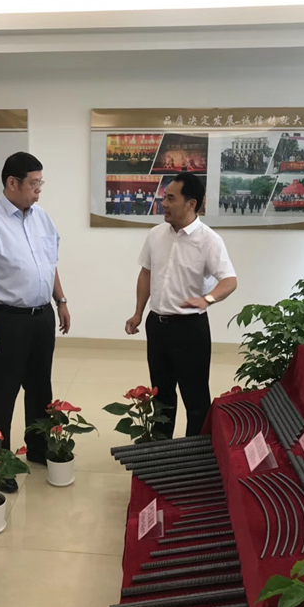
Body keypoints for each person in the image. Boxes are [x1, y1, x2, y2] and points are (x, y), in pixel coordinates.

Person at [0, 151, 71, 492]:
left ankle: (38, 447)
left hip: (41, 316)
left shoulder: (42, 217)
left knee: (40, 388)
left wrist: (61, 300)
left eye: (41, 183)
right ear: (12, 183)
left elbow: (49, 263)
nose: (39, 189)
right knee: (1, 392)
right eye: (34, 183)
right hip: (5, 319)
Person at [125, 173, 237, 437]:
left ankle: (194, 452)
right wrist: (138, 312)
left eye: (171, 198)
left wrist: (207, 299)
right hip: (157, 325)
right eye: (165, 197)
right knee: (161, 394)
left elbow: (229, 281)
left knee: (195, 397)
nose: (164, 203)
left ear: (191, 203)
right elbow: (146, 274)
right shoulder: (155, 235)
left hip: (190, 329)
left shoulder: (209, 240)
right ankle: (162, 448)